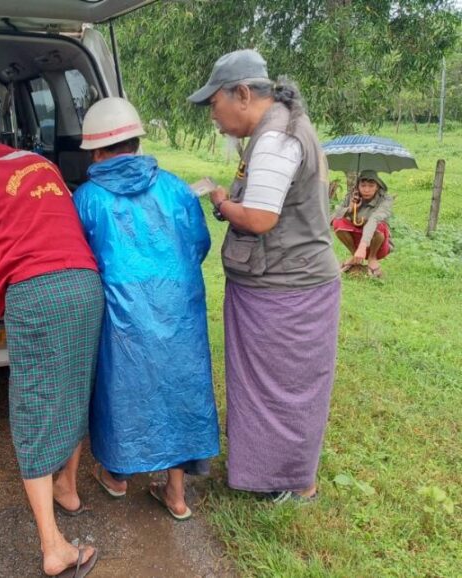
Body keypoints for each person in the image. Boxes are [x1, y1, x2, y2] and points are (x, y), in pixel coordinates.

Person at [0, 100, 102, 578]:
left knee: (34, 405)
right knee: (75, 388)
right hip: (85, 282)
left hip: (35, 291)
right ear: (0, 131)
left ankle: (53, 548)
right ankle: (67, 488)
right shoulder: (42, 162)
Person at [188, 49, 341, 503]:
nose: (213, 118)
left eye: (214, 106)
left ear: (242, 93)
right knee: (271, 389)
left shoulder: (276, 138)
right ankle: (273, 476)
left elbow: (257, 218)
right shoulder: (276, 128)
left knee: (285, 392)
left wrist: (220, 201)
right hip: (278, 284)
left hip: (288, 289)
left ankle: (295, 482)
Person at [73, 97, 220, 521]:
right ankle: (176, 495)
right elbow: (199, 245)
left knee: (121, 389)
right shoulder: (175, 187)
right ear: (137, 142)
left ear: (97, 152)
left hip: (122, 314)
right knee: (179, 388)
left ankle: (117, 478)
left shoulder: (87, 198)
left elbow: (81, 258)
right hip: (179, 309)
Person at [332, 170, 394, 278]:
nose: (366, 189)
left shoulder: (386, 200)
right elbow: (332, 219)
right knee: (338, 222)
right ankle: (354, 256)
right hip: (357, 242)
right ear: (358, 186)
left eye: (371, 186)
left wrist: (362, 246)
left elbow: (374, 219)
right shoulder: (352, 196)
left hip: (377, 244)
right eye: (363, 185)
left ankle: (372, 258)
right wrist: (350, 208)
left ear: (377, 187)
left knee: (380, 225)